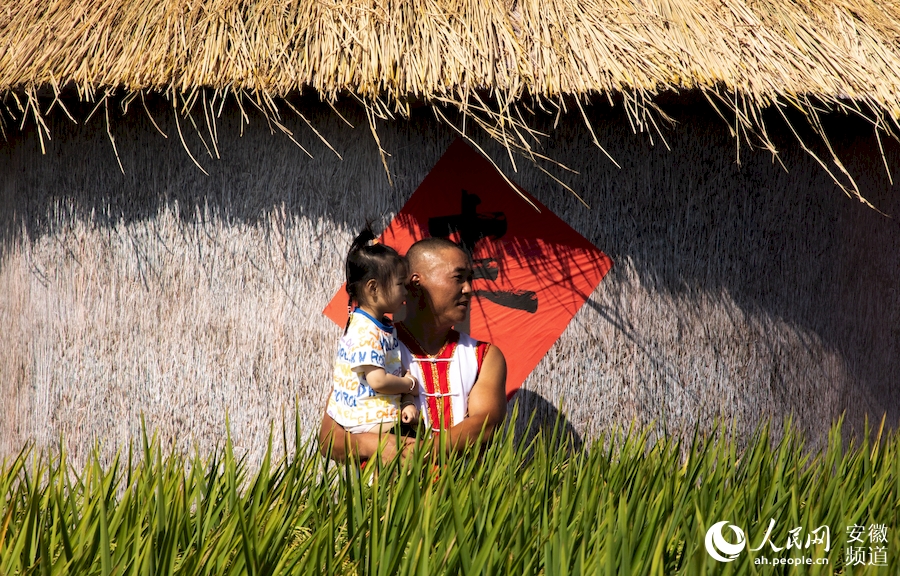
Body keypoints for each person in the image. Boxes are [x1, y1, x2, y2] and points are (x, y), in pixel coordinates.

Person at [319, 237, 508, 464]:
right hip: (384, 498)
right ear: (416, 283)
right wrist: (372, 444)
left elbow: (486, 423)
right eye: (458, 278)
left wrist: (420, 452)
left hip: (462, 497)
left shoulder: (484, 356)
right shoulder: (370, 342)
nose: (468, 289)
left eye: (470, 280)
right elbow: (329, 439)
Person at [323, 227, 420, 441]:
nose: (405, 292)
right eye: (399, 285)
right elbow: (378, 381)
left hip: (378, 420)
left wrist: (406, 402)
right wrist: (410, 385)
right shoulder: (365, 330)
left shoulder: (379, 325)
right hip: (371, 424)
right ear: (373, 288)